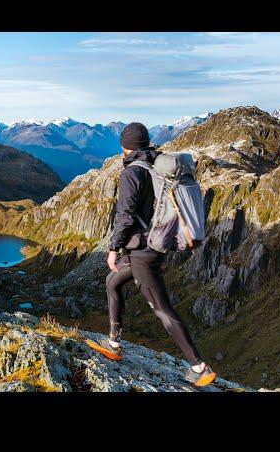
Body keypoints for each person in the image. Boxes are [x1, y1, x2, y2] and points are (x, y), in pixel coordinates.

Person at [93, 122, 216, 387]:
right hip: (151, 246)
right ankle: (113, 342)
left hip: (143, 252)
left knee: (161, 308)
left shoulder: (132, 173)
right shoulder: (156, 166)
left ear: (125, 147)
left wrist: (114, 249)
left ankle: (199, 367)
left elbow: (124, 216)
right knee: (112, 282)